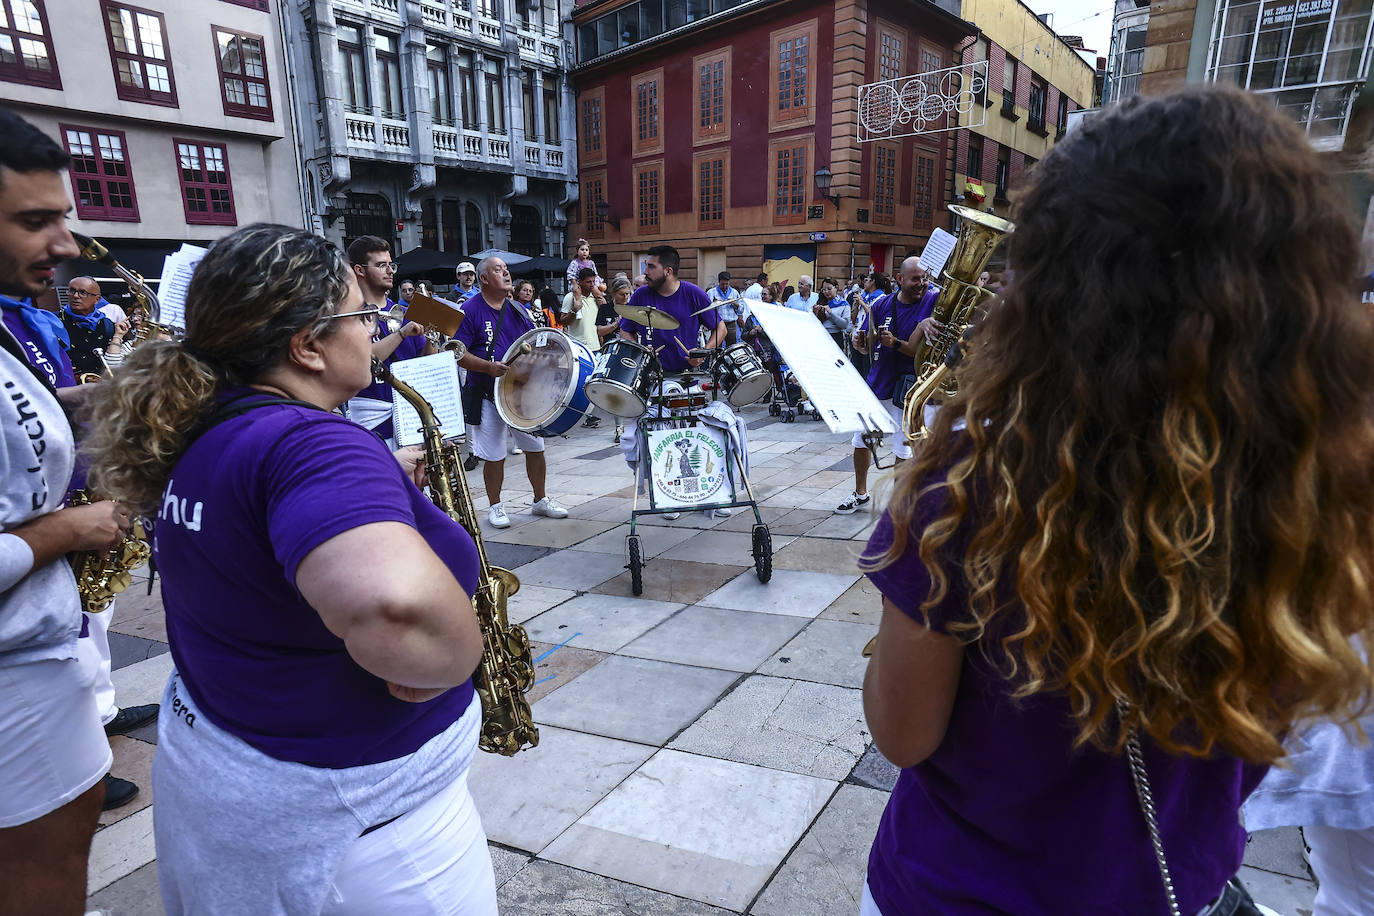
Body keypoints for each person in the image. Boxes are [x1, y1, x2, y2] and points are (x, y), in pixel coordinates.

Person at [856, 86, 1374, 916]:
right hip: (1168, 889)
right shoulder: (1324, 481)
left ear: (1053, 285)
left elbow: (903, 734)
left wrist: (905, 591)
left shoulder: (975, 473)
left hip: (955, 891)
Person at [82, 223, 499, 915]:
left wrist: (374, 489)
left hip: (242, 772)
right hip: (364, 834)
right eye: (360, 316)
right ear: (307, 345)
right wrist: (458, 657)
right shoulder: (312, 442)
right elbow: (397, 611)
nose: (374, 327)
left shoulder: (206, 423)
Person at [0, 108, 133, 915]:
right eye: (34, 220)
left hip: (37, 657)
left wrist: (79, 403)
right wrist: (67, 530)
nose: (67, 245)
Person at [454, 257, 568, 529]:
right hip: (486, 393)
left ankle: (540, 499)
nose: (506, 273)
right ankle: (495, 506)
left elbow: (534, 343)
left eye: (506, 269)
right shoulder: (470, 310)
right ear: (483, 279)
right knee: (494, 454)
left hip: (520, 392)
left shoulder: (517, 309)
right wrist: (487, 367)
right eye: (498, 270)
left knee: (535, 448)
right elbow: (458, 353)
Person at [617, 245, 729, 520]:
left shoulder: (693, 293)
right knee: (661, 436)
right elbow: (626, 330)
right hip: (655, 378)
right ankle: (669, 495)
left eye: (650, 266)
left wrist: (703, 353)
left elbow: (720, 328)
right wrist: (640, 353)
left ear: (667, 271)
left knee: (702, 434)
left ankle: (713, 493)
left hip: (689, 377)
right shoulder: (641, 295)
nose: (645, 272)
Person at [836, 258, 939, 515]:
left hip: (910, 388)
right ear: (899, 279)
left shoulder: (933, 300)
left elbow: (917, 347)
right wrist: (860, 343)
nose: (922, 283)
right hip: (880, 382)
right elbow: (866, 343)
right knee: (862, 440)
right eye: (915, 279)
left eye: (925, 278)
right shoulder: (881, 304)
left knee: (904, 449)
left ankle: (899, 505)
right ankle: (860, 493)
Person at [342, 236, 427, 446]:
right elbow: (361, 361)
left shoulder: (405, 312)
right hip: (373, 422)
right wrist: (401, 334)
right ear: (359, 270)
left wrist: (433, 335)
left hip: (411, 416)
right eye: (381, 265)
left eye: (391, 265)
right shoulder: (347, 314)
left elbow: (423, 362)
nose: (390, 271)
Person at [60, 276, 116, 378]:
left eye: (83, 293)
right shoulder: (53, 321)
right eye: (72, 291)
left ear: (97, 299)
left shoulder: (107, 325)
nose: (75, 296)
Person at [812, 278, 852, 349]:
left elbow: (844, 325)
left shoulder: (844, 304)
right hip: (820, 335)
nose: (826, 292)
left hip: (835, 336)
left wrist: (830, 313)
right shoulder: (820, 302)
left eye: (829, 289)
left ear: (836, 288)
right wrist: (814, 313)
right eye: (824, 290)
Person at [708, 271, 739, 344]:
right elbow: (707, 308)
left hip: (731, 324)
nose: (725, 286)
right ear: (719, 282)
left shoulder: (734, 292)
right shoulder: (711, 292)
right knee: (717, 345)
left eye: (726, 284)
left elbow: (741, 309)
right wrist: (714, 304)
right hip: (717, 323)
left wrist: (735, 303)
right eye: (722, 284)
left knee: (731, 346)